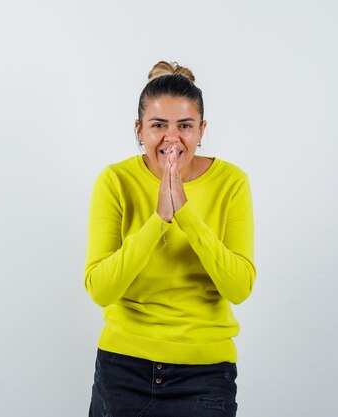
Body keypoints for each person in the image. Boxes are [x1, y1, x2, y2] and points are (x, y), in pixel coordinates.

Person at [84, 61, 256, 417]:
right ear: (139, 130)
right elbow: (100, 290)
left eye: (185, 126)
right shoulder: (114, 182)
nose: (171, 138)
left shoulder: (232, 182)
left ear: (202, 130)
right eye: (158, 125)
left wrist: (186, 215)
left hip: (205, 374)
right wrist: (158, 220)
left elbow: (238, 288)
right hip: (122, 369)